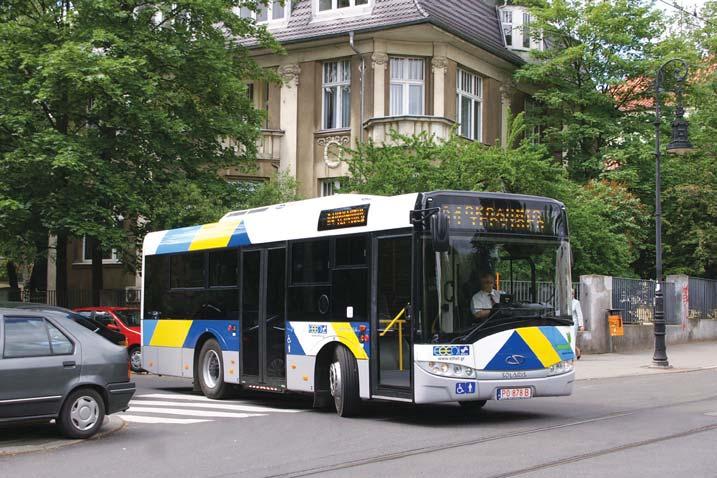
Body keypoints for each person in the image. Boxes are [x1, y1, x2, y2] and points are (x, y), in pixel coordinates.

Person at [572, 289, 584, 359]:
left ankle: (572, 355)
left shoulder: (576, 302)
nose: (570, 295)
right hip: (567, 322)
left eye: (572, 294)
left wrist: (581, 325)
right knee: (568, 339)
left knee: (573, 339)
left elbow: (579, 314)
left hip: (574, 323)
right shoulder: (565, 302)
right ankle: (577, 350)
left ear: (573, 294)